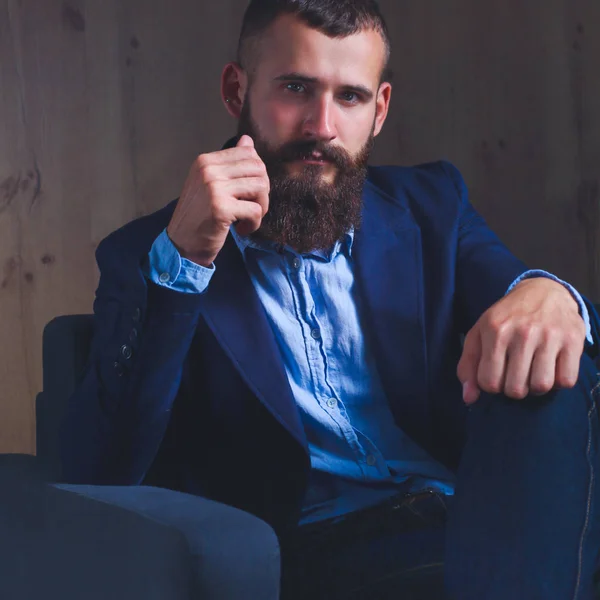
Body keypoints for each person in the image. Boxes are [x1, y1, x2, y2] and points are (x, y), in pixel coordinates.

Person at [59, 0, 600, 598]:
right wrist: (184, 261)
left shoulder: (432, 205)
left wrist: (549, 292)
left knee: (559, 370)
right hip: (329, 549)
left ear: (379, 110)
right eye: (296, 88)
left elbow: (533, 311)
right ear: (237, 89)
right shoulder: (149, 254)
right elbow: (99, 473)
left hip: (485, 519)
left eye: (350, 97)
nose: (321, 126)